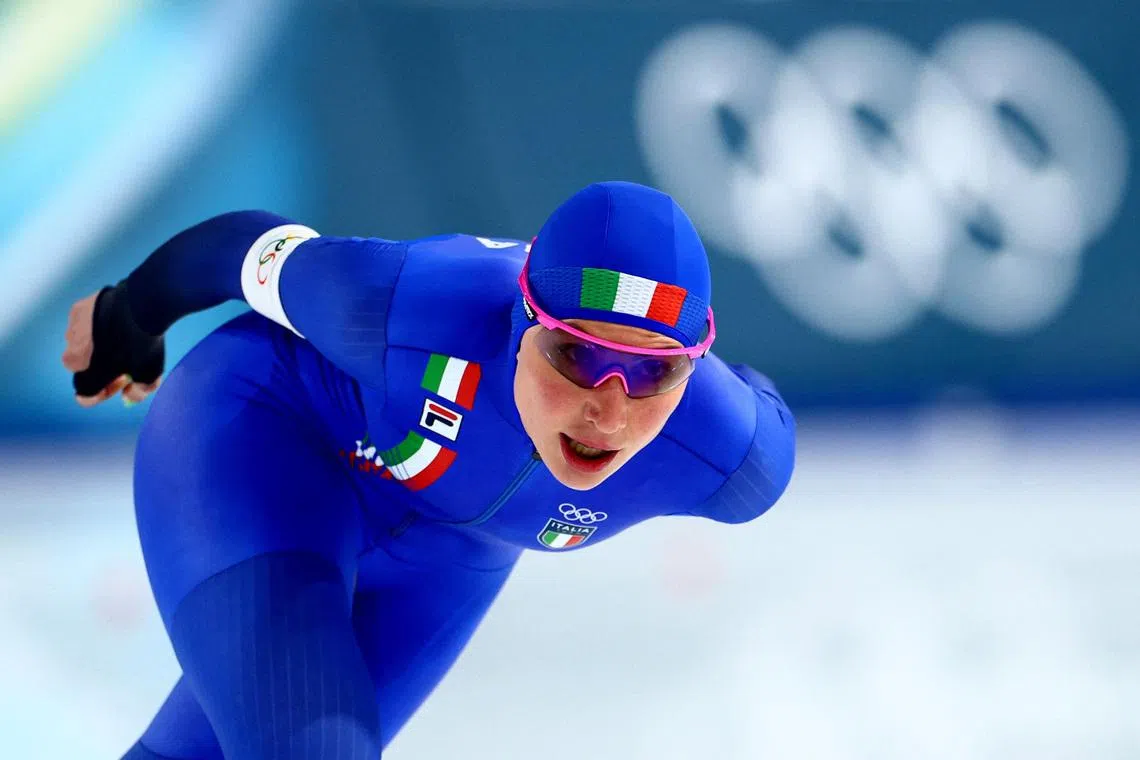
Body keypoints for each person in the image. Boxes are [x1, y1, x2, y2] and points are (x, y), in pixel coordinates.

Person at [62, 181, 796, 759]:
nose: (607, 411)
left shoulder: (733, 458)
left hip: (448, 559)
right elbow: (241, 248)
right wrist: (128, 317)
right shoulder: (405, 305)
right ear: (522, 320)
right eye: (577, 355)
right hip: (267, 439)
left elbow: (754, 399)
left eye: (653, 373)